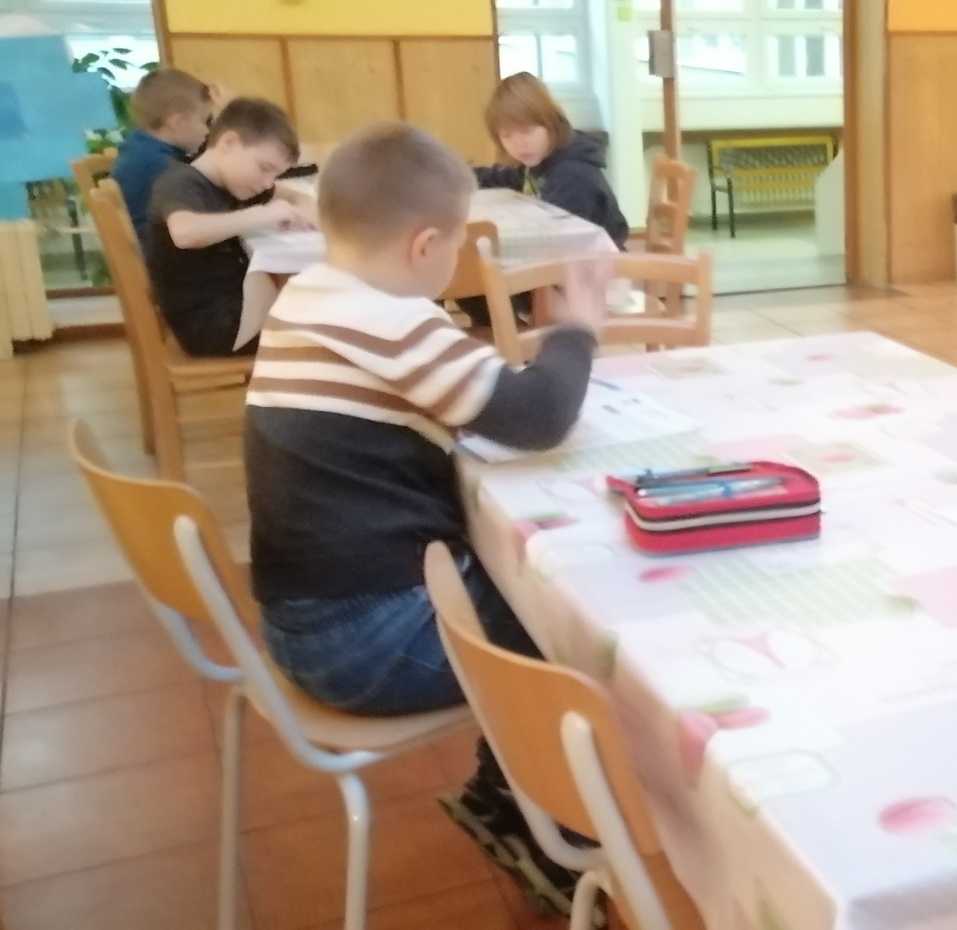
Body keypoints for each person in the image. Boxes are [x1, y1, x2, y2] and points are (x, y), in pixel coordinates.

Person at [244, 120, 612, 915]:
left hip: (309, 617)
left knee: (522, 594)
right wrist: (576, 329)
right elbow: (537, 415)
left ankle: (503, 794)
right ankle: (561, 832)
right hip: (363, 640)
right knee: (571, 629)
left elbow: (466, 395)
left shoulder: (310, 294)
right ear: (423, 247)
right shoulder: (386, 318)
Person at [145, 98, 316, 357]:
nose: (267, 182)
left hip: (237, 309)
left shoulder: (232, 182)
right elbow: (184, 233)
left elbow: (293, 196)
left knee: (331, 309)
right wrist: (260, 215)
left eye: (275, 175)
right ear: (229, 142)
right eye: (264, 168)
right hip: (215, 328)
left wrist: (303, 211)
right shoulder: (181, 182)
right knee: (337, 324)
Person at [460, 72, 630, 327]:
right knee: (470, 274)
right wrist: (460, 175)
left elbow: (554, 244)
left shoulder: (571, 174)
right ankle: (511, 338)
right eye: (507, 135)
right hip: (560, 271)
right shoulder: (543, 160)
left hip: (589, 281)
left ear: (550, 123)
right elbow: (505, 176)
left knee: (473, 277)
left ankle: (515, 341)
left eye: (527, 130)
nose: (519, 143)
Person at [109, 68, 232, 250]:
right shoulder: (161, 166)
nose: (208, 131)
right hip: (162, 256)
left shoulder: (140, 146)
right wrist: (234, 113)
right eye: (205, 121)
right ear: (177, 122)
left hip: (149, 248)